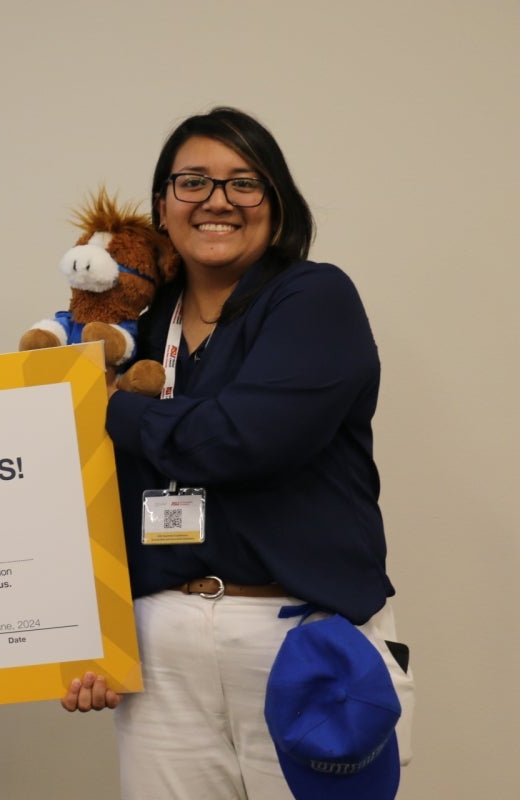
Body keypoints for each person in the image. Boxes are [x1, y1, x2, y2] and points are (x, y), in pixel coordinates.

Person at [61, 108, 413, 798]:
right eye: (192, 182)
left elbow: (242, 442)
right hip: (159, 645)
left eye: (244, 183)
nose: (217, 200)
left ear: (276, 207)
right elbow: (78, 479)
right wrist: (79, 635)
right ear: (161, 206)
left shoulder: (315, 298)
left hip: (302, 639)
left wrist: (109, 408)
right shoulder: (130, 327)